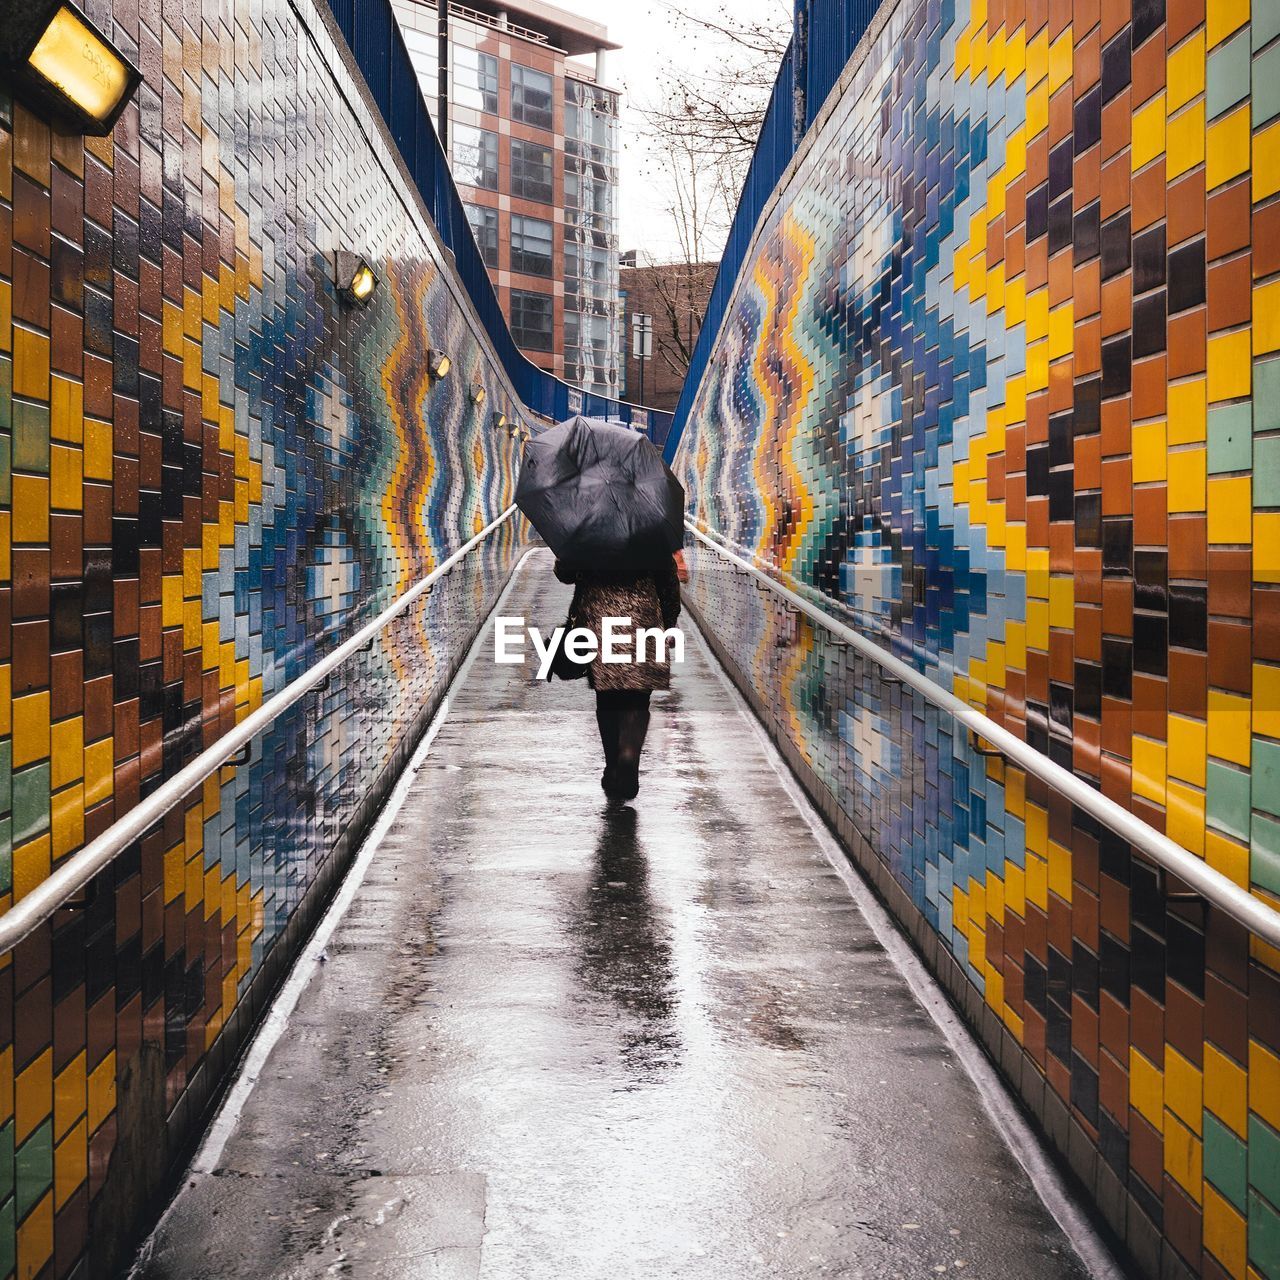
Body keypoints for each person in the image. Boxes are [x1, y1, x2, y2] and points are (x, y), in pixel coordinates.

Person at [554, 550, 687, 801]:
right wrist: (669, 623)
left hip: (599, 621)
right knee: (638, 697)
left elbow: (565, 573)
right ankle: (629, 754)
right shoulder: (649, 535)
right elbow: (669, 582)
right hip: (644, 620)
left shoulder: (587, 534)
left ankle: (613, 765)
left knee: (607, 698)